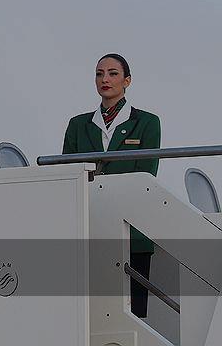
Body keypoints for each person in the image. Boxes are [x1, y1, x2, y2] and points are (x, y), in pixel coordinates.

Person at [62, 53, 161, 318]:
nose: (104, 79)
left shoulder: (147, 123)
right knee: (88, 315)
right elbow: (68, 175)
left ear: (127, 81)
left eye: (113, 73)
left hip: (132, 231)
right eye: (99, 73)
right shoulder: (78, 125)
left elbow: (145, 177)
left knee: (133, 315)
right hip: (89, 228)